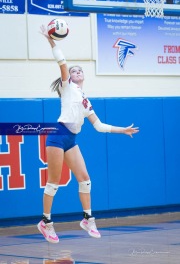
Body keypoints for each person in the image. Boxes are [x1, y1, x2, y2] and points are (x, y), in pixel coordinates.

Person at [37, 25, 139, 244]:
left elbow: (99, 126)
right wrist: (51, 40)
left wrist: (123, 130)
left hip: (71, 139)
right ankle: (45, 222)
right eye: (74, 71)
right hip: (57, 135)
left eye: (79, 70)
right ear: (70, 77)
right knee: (53, 183)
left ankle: (87, 219)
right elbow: (62, 62)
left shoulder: (85, 101)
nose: (77, 72)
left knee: (85, 180)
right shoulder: (66, 87)